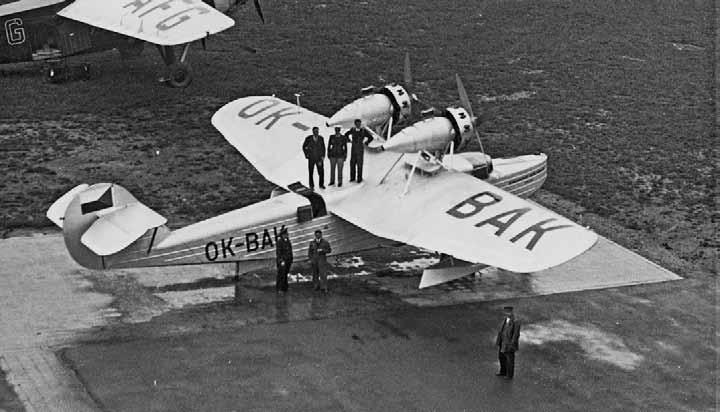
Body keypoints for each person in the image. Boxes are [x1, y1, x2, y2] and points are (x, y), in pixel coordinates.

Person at [495, 306, 521, 380]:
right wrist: (499, 341)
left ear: (512, 312)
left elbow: (516, 335)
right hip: (502, 342)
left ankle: (509, 375)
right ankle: (503, 371)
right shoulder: (505, 319)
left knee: (510, 360)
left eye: (508, 312)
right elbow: (501, 330)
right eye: (505, 312)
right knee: (501, 357)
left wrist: (512, 344)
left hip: (509, 344)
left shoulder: (516, 321)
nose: (506, 314)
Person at [344, 119, 373, 183]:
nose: (358, 125)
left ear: (360, 124)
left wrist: (366, 143)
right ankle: (352, 178)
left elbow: (371, 137)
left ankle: (359, 178)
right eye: (357, 124)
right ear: (355, 124)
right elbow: (346, 134)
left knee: (360, 164)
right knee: (352, 163)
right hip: (353, 149)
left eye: (359, 123)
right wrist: (348, 140)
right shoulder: (352, 130)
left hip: (360, 149)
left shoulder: (363, 130)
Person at [275, 228, 293, 294]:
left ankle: (285, 287)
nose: (287, 235)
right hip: (282, 261)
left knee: (285, 274)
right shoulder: (279, 242)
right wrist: (281, 261)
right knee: (281, 275)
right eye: (285, 234)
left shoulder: (288, 241)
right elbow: (279, 253)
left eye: (287, 234)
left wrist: (291, 259)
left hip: (288, 260)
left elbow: (290, 251)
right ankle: (279, 288)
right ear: (282, 235)